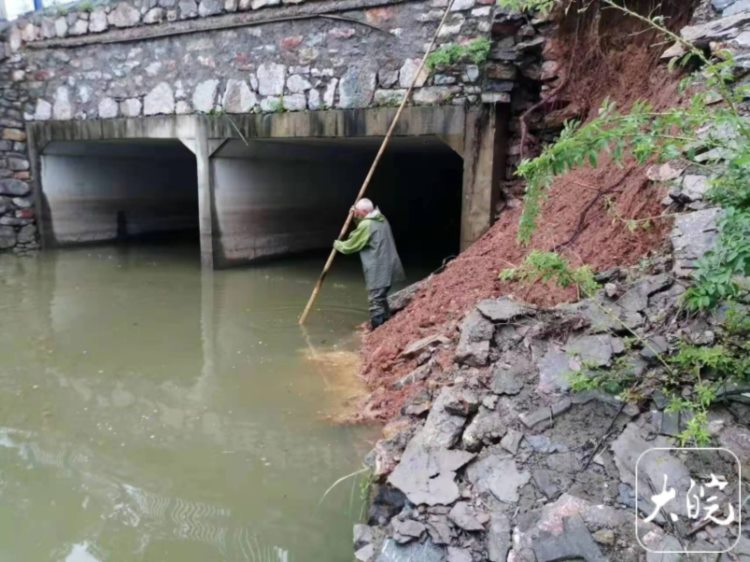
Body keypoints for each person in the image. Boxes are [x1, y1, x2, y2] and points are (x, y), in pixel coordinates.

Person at [334, 198, 405, 330]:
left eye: (359, 212)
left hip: (379, 269)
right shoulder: (381, 218)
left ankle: (377, 329)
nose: (358, 214)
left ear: (365, 211)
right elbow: (364, 228)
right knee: (381, 297)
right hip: (389, 265)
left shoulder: (367, 225)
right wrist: (356, 217)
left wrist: (337, 244)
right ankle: (386, 323)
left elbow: (352, 244)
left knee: (376, 300)